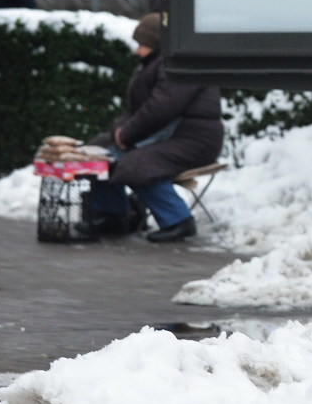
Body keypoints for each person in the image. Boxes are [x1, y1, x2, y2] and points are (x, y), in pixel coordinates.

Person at [81, 13, 223, 243]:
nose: (138, 51)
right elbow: (136, 109)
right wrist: (119, 131)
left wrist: (126, 134)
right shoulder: (153, 64)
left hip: (194, 140)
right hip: (164, 136)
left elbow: (162, 108)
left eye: (143, 44)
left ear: (157, 44)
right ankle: (115, 216)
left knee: (138, 165)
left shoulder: (181, 64)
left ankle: (178, 220)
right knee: (97, 151)